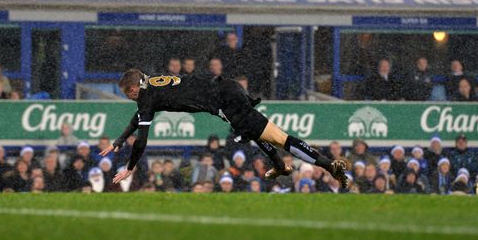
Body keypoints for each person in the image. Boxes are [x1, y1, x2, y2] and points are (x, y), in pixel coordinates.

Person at [100, 70, 348, 187]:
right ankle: (280, 165)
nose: (129, 97)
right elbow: (138, 117)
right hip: (227, 89)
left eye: (129, 93)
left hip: (225, 102)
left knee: (279, 138)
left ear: (136, 88)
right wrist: (119, 141)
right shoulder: (151, 82)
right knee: (256, 132)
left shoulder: (145, 97)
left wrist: (130, 168)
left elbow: (141, 140)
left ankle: (328, 165)